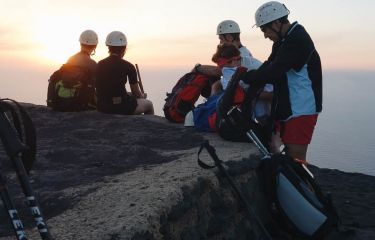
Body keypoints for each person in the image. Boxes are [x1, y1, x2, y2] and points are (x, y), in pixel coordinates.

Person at [241, 1, 322, 161]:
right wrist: (250, 75)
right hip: (290, 107)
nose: (264, 34)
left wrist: (248, 77)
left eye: (264, 29)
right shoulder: (284, 40)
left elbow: (274, 71)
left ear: (277, 22)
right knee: (285, 156)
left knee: (296, 160)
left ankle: (302, 186)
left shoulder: (297, 39)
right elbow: (269, 65)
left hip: (301, 109)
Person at [96, 31, 154, 115]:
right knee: (149, 104)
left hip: (103, 106)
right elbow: (136, 93)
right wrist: (142, 97)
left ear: (108, 47)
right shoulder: (129, 66)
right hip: (120, 107)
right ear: (124, 48)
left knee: (129, 95)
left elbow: (104, 89)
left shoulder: (99, 64)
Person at [194, 20, 262, 77]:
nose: (220, 42)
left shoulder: (239, 55)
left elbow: (221, 71)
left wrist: (198, 68)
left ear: (229, 37)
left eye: (221, 39)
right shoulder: (243, 51)